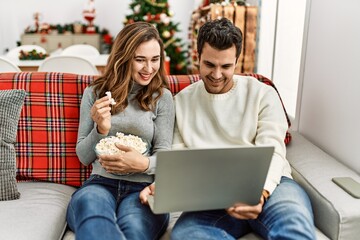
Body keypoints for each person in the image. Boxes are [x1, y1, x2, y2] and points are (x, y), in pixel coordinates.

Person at [140, 18, 316, 239]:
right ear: (198, 58)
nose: (216, 75)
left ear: (237, 61)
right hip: (211, 197)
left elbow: (273, 149)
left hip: (272, 187)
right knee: (187, 234)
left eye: (226, 66)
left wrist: (260, 194)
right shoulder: (181, 101)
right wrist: (164, 186)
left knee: (294, 226)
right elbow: (179, 157)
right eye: (210, 65)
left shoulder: (262, 93)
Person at [66, 22, 175, 240]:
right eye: (140, 59)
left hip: (142, 189)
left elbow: (165, 156)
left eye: (155, 60)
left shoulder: (162, 98)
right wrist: (100, 129)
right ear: (124, 58)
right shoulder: (95, 93)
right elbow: (84, 157)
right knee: (92, 212)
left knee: (134, 228)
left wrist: (143, 164)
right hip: (99, 183)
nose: (149, 68)